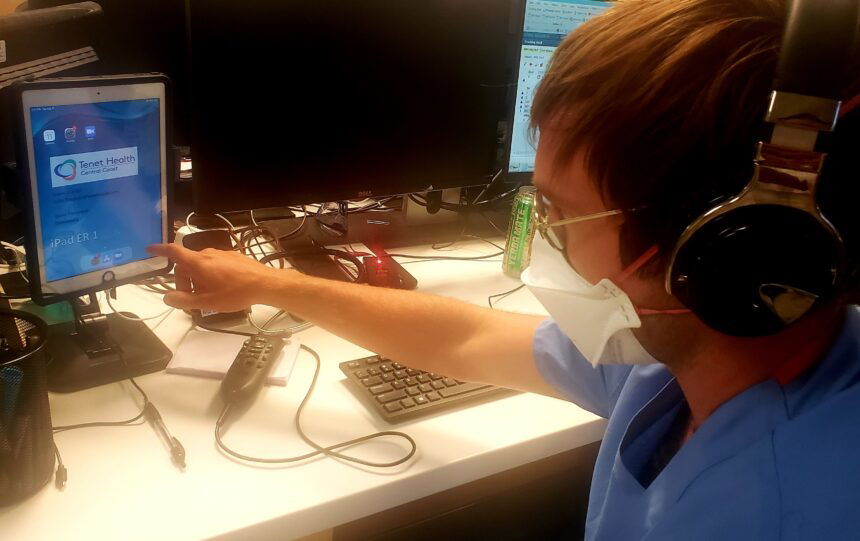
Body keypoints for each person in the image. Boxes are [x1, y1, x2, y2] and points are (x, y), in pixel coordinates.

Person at [149, 0, 860, 538]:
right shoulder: (679, 353)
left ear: (726, 249)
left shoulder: (778, 512)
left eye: (559, 212)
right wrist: (263, 280)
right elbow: (466, 338)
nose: (544, 236)